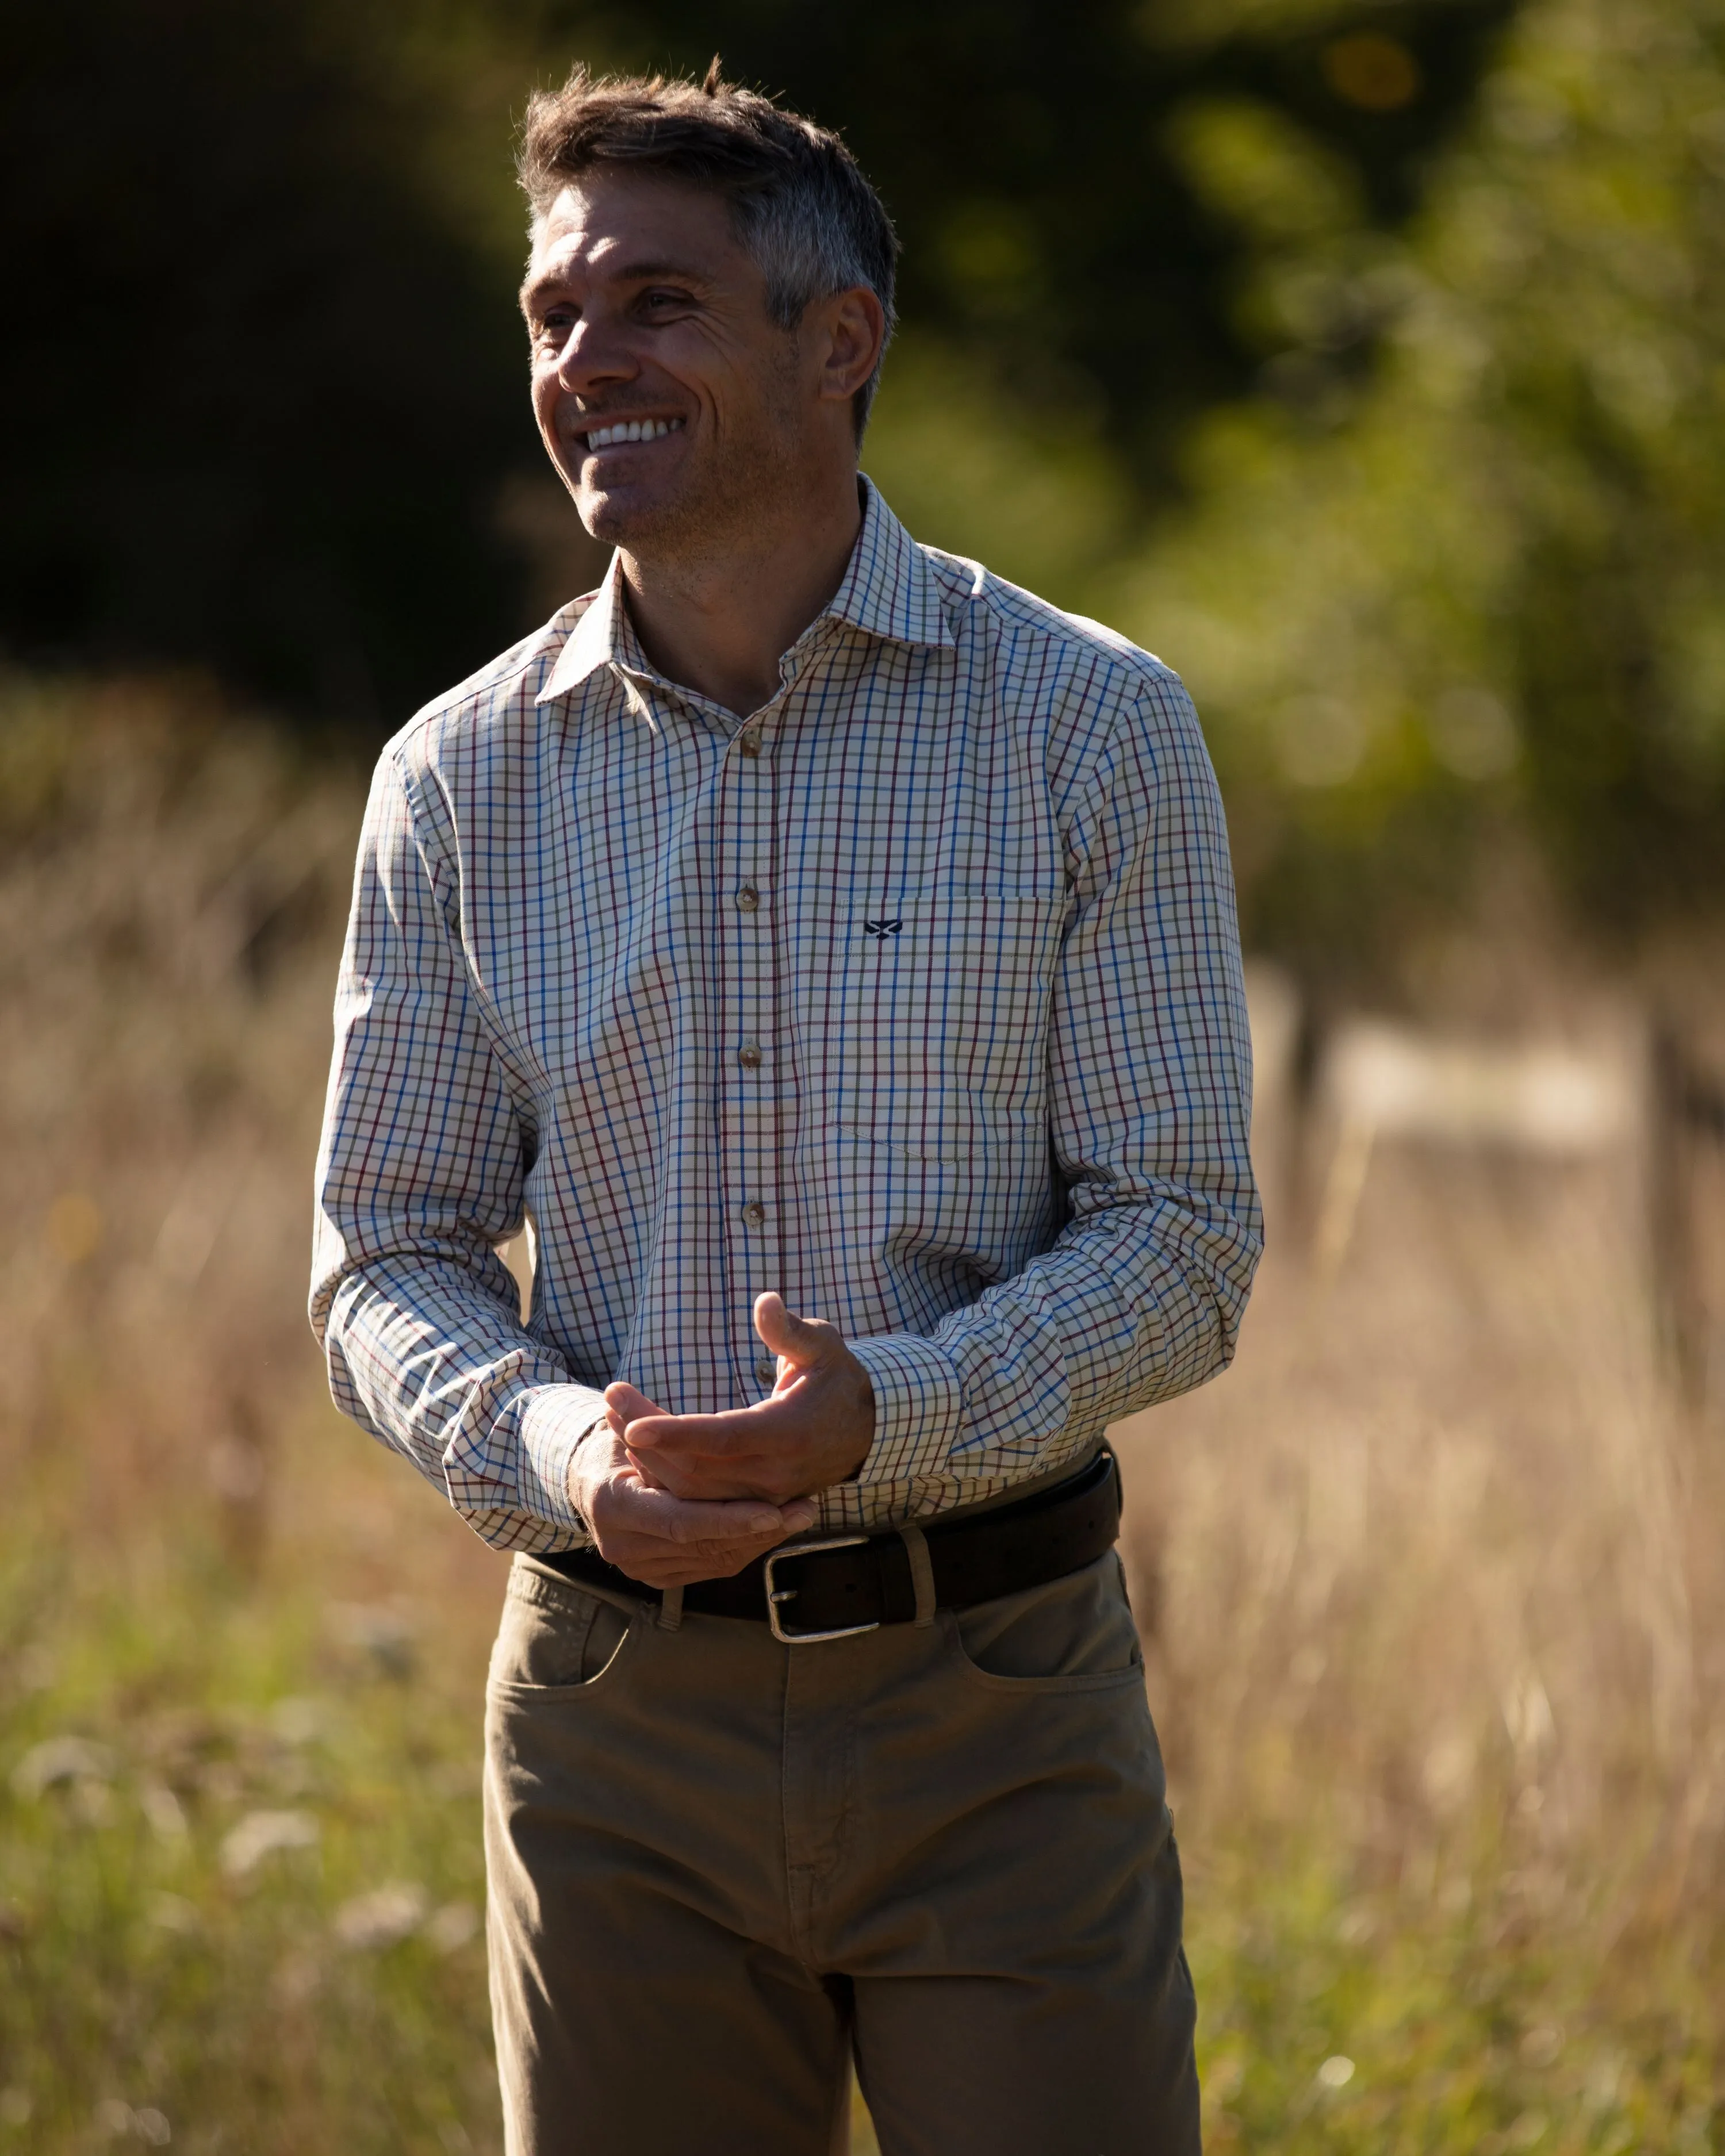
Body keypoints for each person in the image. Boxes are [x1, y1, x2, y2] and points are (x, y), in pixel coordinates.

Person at [310, 59, 1260, 2156]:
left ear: (841, 343)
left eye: (655, 302)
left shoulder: (1090, 728)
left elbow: (1185, 1236)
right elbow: (385, 1248)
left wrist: (887, 1414)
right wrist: (562, 1448)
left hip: (999, 1705)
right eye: (556, 314)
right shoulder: (457, 781)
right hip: (609, 1724)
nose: (584, 361)